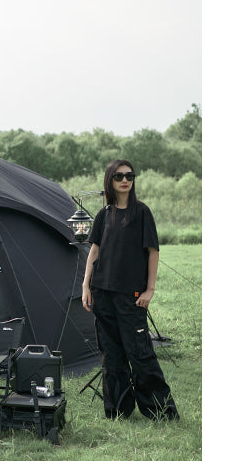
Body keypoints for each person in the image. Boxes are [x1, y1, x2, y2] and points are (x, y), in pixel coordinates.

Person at [81, 160, 179, 420]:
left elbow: (153, 252)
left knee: (140, 353)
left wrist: (150, 289)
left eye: (129, 175)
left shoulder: (142, 213)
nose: (125, 179)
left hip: (131, 297)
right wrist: (85, 284)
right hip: (102, 292)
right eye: (119, 176)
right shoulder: (104, 214)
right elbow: (94, 250)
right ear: (110, 180)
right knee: (111, 356)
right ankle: (118, 410)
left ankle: (159, 411)